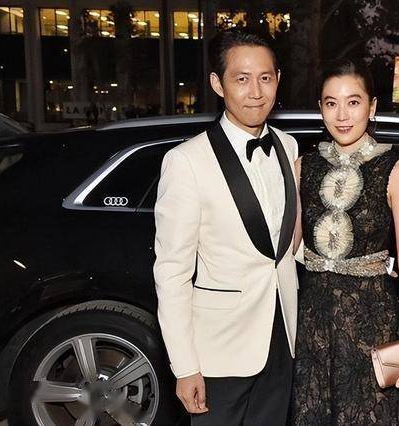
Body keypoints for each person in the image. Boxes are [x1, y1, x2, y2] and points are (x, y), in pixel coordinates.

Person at [153, 28, 299, 425]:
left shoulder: (287, 146)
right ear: (218, 84)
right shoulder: (186, 161)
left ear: (278, 80)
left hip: (281, 338)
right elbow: (172, 273)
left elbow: (285, 243)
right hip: (218, 350)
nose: (256, 92)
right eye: (242, 79)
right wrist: (185, 366)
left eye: (265, 78)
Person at [291, 59, 399, 425]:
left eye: (353, 102)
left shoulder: (396, 171)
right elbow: (288, 249)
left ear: (372, 107)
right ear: (320, 108)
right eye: (331, 103)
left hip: (370, 322)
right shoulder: (303, 167)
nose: (342, 115)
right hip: (313, 323)